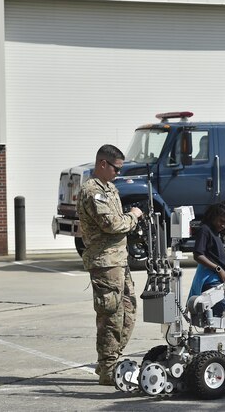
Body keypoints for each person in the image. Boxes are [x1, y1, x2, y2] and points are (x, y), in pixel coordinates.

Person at [77, 144, 143, 386]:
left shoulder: (110, 189)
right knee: (111, 316)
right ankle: (108, 368)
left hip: (119, 260)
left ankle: (111, 361)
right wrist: (133, 217)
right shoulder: (92, 191)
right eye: (116, 168)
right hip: (105, 263)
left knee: (129, 311)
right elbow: (110, 224)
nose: (119, 173)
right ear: (102, 164)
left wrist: (129, 220)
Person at [188, 201, 225, 317]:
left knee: (211, 318)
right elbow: (198, 255)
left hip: (217, 282)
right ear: (213, 216)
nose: (223, 225)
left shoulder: (215, 232)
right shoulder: (205, 230)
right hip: (210, 282)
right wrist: (219, 269)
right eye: (221, 221)